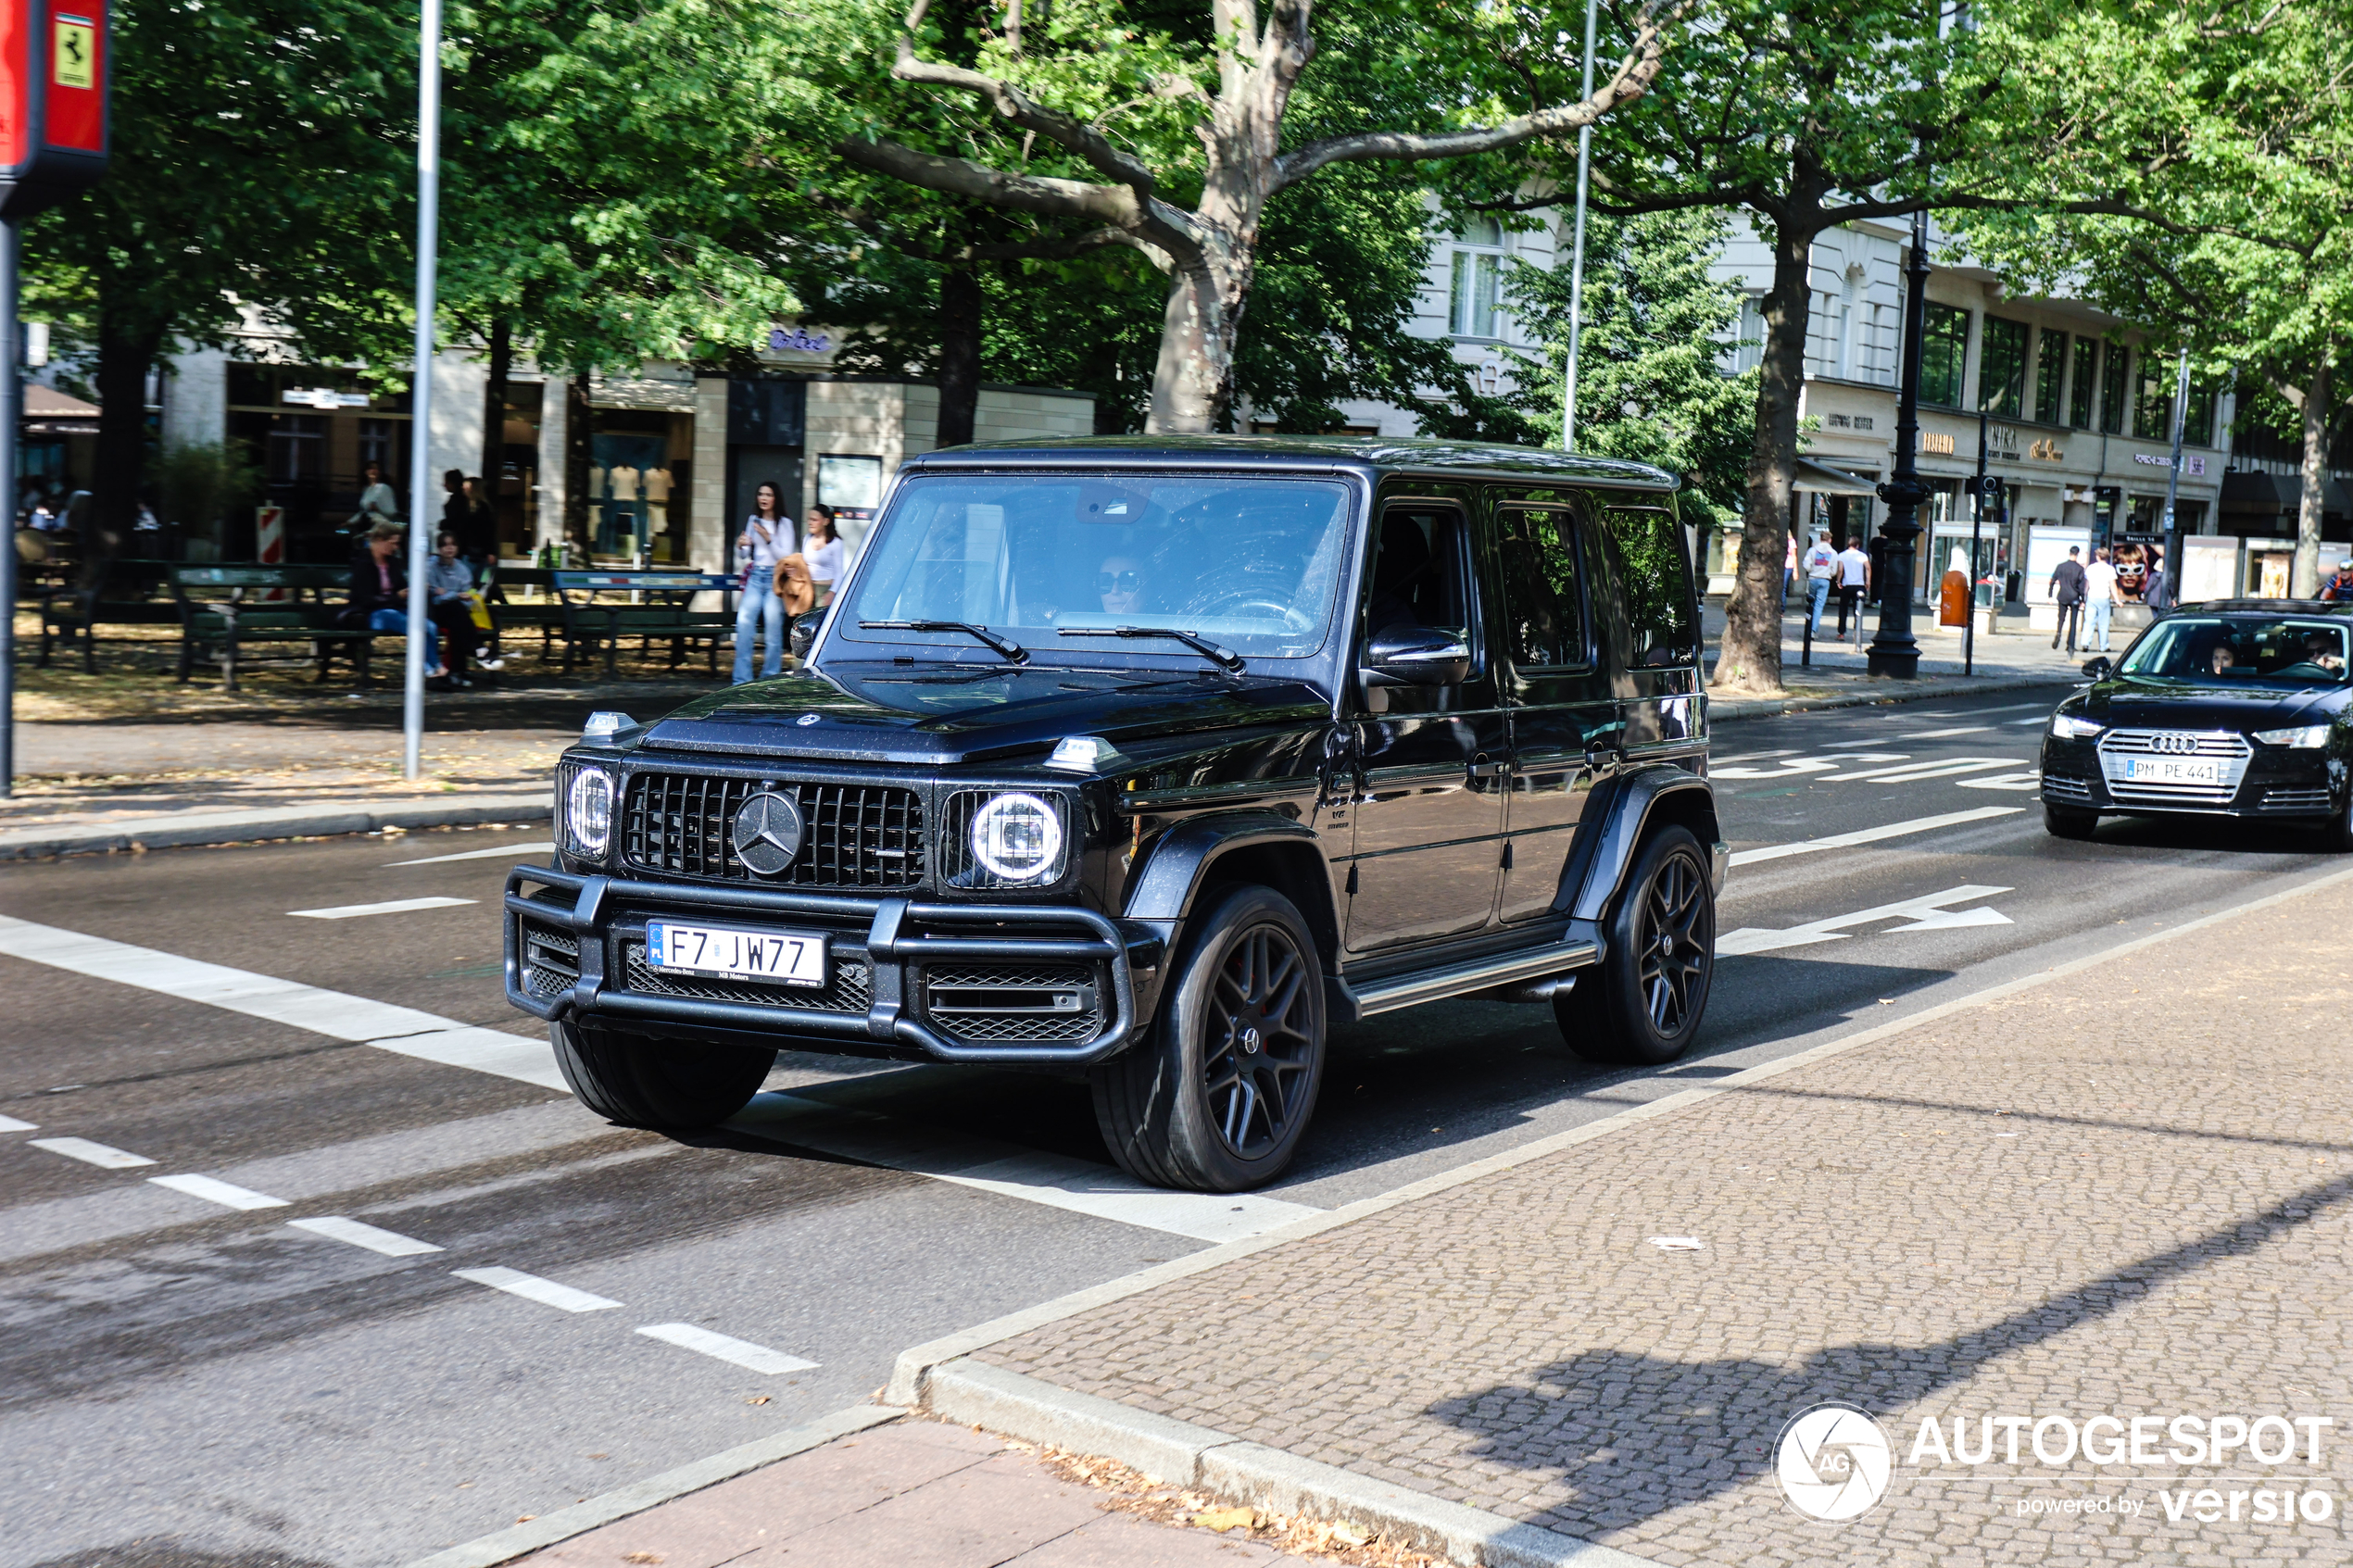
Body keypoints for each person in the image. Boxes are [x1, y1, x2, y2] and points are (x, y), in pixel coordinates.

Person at [346, 520, 444, 682]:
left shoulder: (393, 563)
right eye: (393, 543)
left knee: (429, 626)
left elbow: (401, 587)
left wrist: (414, 590)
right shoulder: (363, 563)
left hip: (394, 608)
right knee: (411, 624)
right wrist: (397, 597)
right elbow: (365, 600)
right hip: (370, 613)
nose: (396, 547)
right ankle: (433, 668)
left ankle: (432, 670)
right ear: (380, 540)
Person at [733, 482, 794, 683]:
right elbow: (745, 554)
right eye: (760, 494)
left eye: (768, 494)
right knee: (744, 628)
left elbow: (785, 557)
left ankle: (769, 679)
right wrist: (740, 545)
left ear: (776, 498)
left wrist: (768, 539)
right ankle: (741, 680)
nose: (764, 498)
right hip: (756, 576)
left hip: (775, 580)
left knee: (773, 635)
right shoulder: (753, 520)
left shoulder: (785, 523)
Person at [426, 531, 498, 680]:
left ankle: (456, 674)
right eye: (445, 545)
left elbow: (469, 595)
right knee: (455, 610)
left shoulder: (462, 569)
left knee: (457, 622)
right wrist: (456, 595)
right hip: (436, 611)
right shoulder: (431, 567)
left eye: (453, 544)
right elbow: (434, 597)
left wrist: (448, 593)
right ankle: (479, 649)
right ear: (439, 548)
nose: (449, 548)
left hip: (458, 612)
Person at [803, 505, 845, 608]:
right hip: (807, 588)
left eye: (814, 520)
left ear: (826, 521)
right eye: (809, 519)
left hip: (825, 589)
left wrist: (832, 592)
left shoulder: (835, 542)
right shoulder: (807, 539)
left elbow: (839, 572)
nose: (810, 523)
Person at [2082, 546, 2121, 654]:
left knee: (2089, 621)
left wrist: (2084, 597)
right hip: (2104, 597)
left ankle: (2085, 643)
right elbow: (2113, 586)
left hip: (2092, 597)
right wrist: (2117, 600)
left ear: (2098, 557)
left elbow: (2087, 585)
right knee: (2104, 623)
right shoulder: (2110, 569)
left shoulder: (2091, 568)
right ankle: (2103, 646)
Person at [1834, 534, 1871, 646]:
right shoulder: (1862, 555)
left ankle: (1841, 633)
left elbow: (1840, 569)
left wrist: (1838, 580)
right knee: (1858, 610)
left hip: (1847, 585)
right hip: (1859, 585)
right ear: (1858, 545)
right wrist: (1868, 581)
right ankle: (1857, 633)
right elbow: (1868, 568)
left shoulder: (1842, 555)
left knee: (1843, 610)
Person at [2049, 546, 2087, 653]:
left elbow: (2052, 581)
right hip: (2074, 597)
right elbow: (2081, 586)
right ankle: (2070, 645)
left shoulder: (2061, 566)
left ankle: (2059, 632)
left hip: (2062, 595)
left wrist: (2050, 595)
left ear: (2069, 553)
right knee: (2073, 622)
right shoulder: (2079, 569)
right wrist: (2083, 599)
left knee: (2061, 618)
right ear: (2077, 554)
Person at [1801, 533, 1836, 638]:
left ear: (1820, 539)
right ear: (1830, 540)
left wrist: (1812, 570)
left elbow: (1806, 565)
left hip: (1813, 578)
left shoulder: (1812, 550)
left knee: (1811, 603)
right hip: (1825, 579)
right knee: (1819, 606)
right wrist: (1828, 573)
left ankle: (1808, 626)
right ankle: (1813, 630)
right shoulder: (1833, 553)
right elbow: (1834, 570)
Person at [356, 460, 399, 530]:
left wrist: (377, 509)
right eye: (370, 468)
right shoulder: (366, 489)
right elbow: (364, 512)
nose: (373, 471)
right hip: (368, 525)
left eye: (376, 469)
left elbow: (392, 511)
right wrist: (349, 522)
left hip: (381, 526)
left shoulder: (384, 488)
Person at [1100, 553, 1146, 617]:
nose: (1115, 591)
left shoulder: (1163, 623)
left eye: (1128, 581)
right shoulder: (1084, 623)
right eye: (1106, 582)